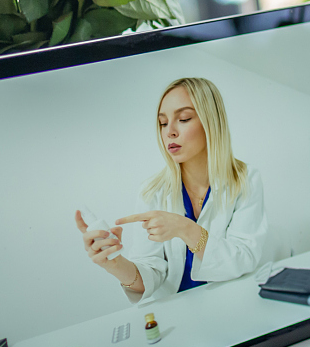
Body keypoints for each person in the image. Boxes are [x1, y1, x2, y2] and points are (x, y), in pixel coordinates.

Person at [77, 77, 270, 304]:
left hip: (232, 303)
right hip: (176, 312)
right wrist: (115, 264)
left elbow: (244, 259)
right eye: (162, 123)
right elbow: (150, 274)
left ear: (211, 121)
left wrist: (185, 228)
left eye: (184, 119)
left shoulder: (246, 179)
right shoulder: (151, 192)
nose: (170, 132)